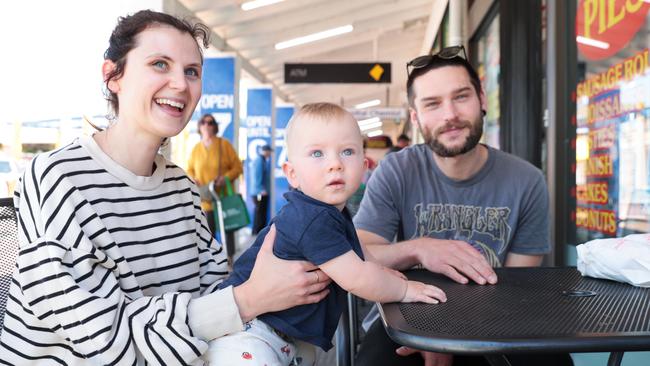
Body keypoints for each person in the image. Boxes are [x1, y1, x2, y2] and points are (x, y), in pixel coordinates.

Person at [0, 10, 332, 365]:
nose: (180, 84)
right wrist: (248, 299)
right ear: (113, 76)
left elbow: (214, 289)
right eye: (160, 64)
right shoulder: (55, 177)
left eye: (191, 71)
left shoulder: (181, 187)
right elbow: (105, 341)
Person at [353, 46, 572, 366]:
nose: (450, 115)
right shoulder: (397, 170)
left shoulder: (526, 181)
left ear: (482, 99)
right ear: (416, 118)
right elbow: (360, 252)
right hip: (406, 318)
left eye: (461, 97)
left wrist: (449, 338)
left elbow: (518, 285)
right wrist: (419, 249)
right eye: (432, 104)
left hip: (496, 320)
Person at [203, 103, 446, 365]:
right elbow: (357, 277)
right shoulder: (311, 217)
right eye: (317, 153)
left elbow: (358, 254)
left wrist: (383, 271)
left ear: (364, 166)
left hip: (282, 336)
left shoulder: (332, 213)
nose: (335, 164)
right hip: (247, 334)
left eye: (347, 151)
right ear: (292, 174)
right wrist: (404, 290)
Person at [187, 113, 243, 257]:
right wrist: (192, 177)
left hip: (222, 198)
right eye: (203, 122)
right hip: (205, 200)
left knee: (227, 231)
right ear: (199, 126)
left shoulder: (224, 144)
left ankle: (230, 260)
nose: (206, 125)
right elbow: (189, 169)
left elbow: (237, 167)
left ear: (215, 126)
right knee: (208, 233)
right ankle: (213, 263)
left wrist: (225, 178)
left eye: (210, 122)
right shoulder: (196, 149)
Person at [250, 144, 272, 234]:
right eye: (269, 151)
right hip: (259, 192)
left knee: (260, 212)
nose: (270, 153)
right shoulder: (259, 160)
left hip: (259, 191)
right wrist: (261, 189)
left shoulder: (262, 160)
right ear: (265, 151)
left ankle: (258, 231)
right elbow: (257, 176)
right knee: (259, 212)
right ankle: (257, 231)